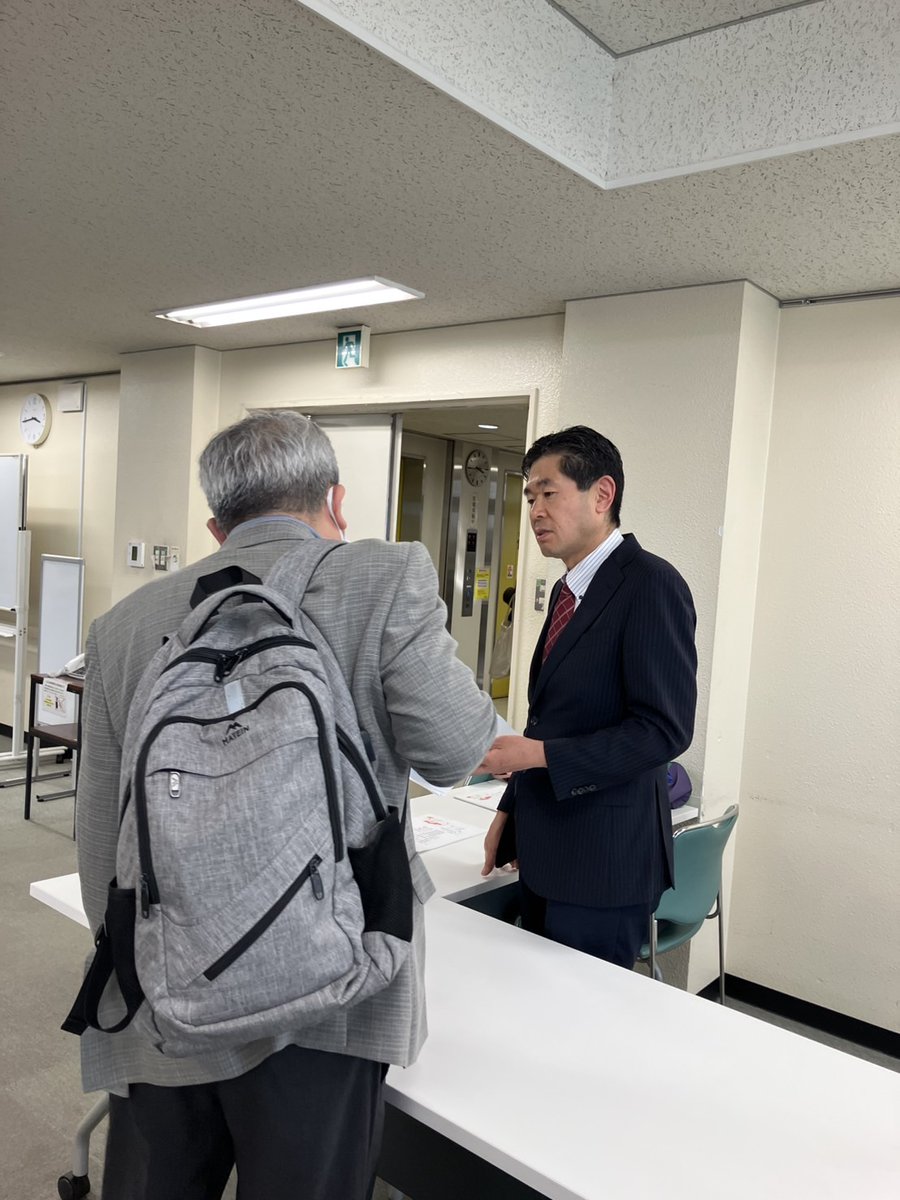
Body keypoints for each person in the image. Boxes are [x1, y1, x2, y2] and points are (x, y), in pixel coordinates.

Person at [76, 410, 497, 1200]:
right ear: (336, 500)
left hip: (166, 999)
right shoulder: (384, 578)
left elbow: (102, 836)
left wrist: (150, 971)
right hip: (330, 1003)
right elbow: (455, 749)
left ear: (215, 525)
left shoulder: (125, 625)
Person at [480, 425, 697, 969]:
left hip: (605, 863)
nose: (535, 511)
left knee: (584, 1015)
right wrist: (510, 810)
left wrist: (539, 756)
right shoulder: (567, 590)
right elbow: (550, 721)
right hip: (546, 851)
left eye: (548, 493)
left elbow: (663, 730)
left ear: (602, 495)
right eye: (530, 497)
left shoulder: (650, 584)